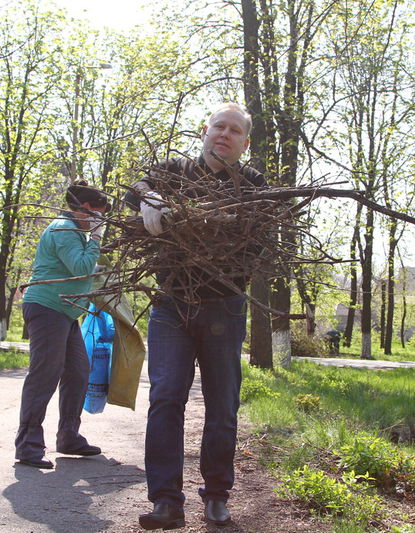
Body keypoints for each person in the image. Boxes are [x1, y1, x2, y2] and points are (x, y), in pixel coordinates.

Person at [125, 103, 267, 530]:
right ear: (205, 131)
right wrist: (148, 197)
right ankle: (166, 500)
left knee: (222, 403)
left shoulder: (253, 184)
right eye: (218, 127)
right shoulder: (174, 171)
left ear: (244, 142)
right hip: (171, 305)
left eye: (235, 131)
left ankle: (217, 495)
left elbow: (255, 243)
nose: (224, 134)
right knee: (166, 397)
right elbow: (135, 187)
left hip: (224, 304)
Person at [14, 181, 111, 470]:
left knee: (79, 371)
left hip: (65, 312)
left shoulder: (75, 230)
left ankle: (68, 436)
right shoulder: (64, 228)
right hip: (47, 308)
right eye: (100, 214)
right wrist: (96, 238)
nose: (101, 220)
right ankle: (28, 444)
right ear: (86, 209)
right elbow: (79, 267)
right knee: (45, 375)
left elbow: (80, 270)